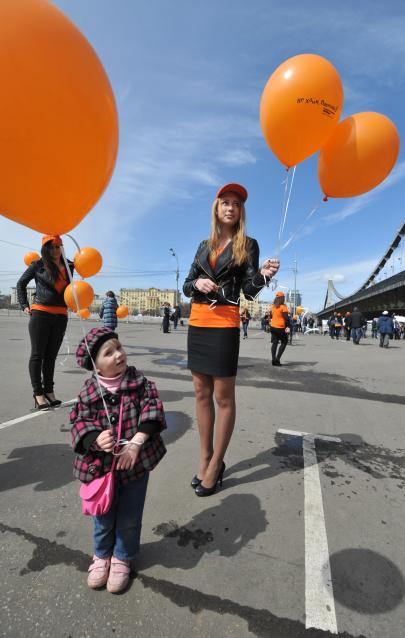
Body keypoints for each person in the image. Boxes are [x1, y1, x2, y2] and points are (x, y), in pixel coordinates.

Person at [183, 183, 279, 497]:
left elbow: (249, 290)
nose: (230, 208)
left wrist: (264, 275)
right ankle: (205, 457)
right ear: (216, 207)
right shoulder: (202, 245)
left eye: (236, 204)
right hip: (197, 321)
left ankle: (216, 463)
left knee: (223, 397)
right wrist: (198, 281)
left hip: (225, 323)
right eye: (225, 202)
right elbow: (186, 285)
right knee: (200, 393)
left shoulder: (248, 244)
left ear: (240, 212)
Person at [71, 327, 166, 593]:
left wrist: (136, 443)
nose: (118, 354)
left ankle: (122, 557)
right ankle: (101, 556)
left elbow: (153, 410)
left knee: (129, 516)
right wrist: (94, 439)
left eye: (119, 347)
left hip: (134, 467)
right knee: (102, 516)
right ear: (95, 365)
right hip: (100, 470)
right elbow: (78, 421)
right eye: (108, 352)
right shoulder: (89, 391)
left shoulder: (140, 383)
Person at [16, 235, 73, 409]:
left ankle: (49, 391)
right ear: (45, 248)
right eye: (52, 247)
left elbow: (72, 289)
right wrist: (24, 305)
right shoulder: (37, 265)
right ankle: (38, 394)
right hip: (41, 314)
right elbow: (21, 284)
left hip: (61, 316)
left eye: (58, 246)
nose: (55, 250)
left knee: (51, 357)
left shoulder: (70, 266)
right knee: (37, 355)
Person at [269, 292, 290, 366]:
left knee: (275, 343)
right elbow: (286, 318)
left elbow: (271, 316)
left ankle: (273, 359)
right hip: (281, 328)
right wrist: (288, 326)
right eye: (283, 297)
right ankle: (277, 359)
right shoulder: (283, 306)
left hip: (273, 327)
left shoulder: (273, 306)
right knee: (284, 342)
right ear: (282, 298)